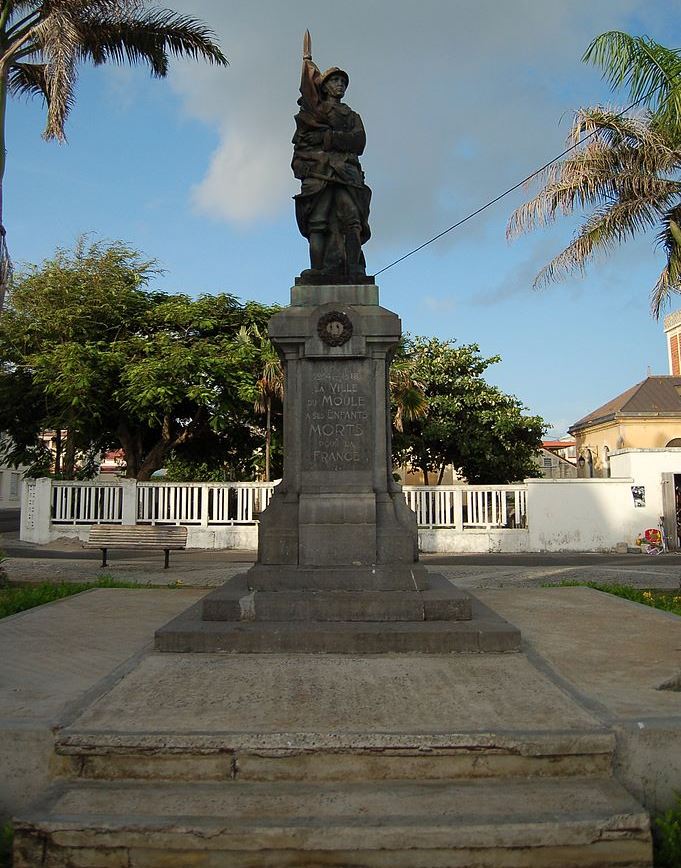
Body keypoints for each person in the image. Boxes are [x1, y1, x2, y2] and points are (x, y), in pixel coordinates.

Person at [292, 38, 372, 283]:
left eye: (343, 82)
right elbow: (302, 144)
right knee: (318, 221)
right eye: (335, 81)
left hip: (346, 173)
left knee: (352, 219)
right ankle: (317, 269)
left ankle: (354, 269)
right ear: (324, 86)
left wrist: (328, 138)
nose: (340, 85)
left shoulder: (352, 115)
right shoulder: (313, 114)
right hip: (319, 174)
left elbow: (358, 142)